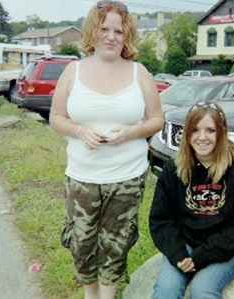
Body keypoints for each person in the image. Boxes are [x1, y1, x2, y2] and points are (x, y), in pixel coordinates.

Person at [49, 1, 163, 298]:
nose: (111, 37)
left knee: (115, 244)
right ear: (93, 32)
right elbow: (56, 118)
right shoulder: (73, 71)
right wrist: (80, 130)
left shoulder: (140, 73)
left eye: (118, 31)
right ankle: (91, 295)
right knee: (82, 242)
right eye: (105, 29)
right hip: (83, 176)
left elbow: (157, 120)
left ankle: (109, 295)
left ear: (127, 36)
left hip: (127, 177)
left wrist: (132, 132)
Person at [149, 102, 234, 299]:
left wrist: (200, 258)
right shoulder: (174, 169)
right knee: (165, 291)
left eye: (210, 130)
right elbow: (161, 219)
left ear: (222, 132)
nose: (202, 137)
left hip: (226, 249)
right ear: (187, 134)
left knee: (202, 291)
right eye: (195, 130)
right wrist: (178, 254)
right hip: (185, 243)